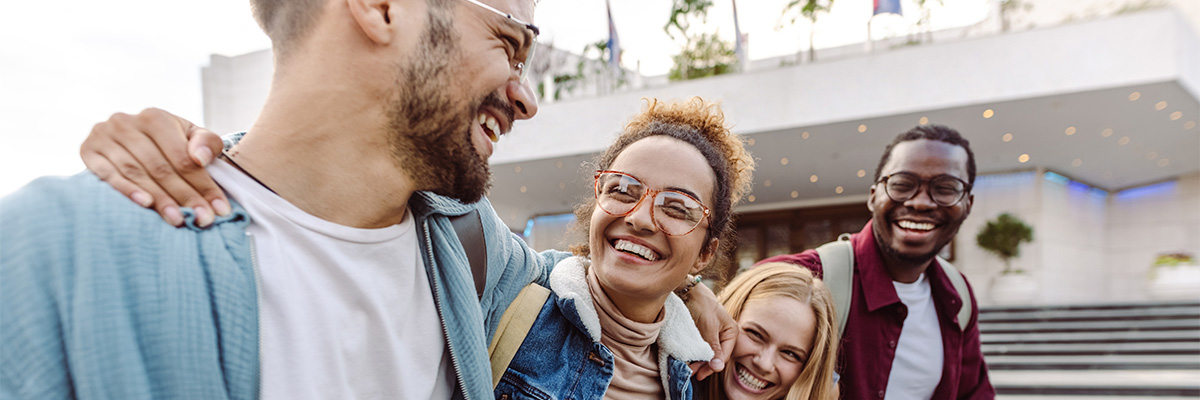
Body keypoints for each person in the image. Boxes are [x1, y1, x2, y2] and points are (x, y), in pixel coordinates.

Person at [0, 0, 735, 398]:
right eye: (510, 43)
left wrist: (691, 293)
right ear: (381, 7)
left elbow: (601, 282)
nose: (525, 95)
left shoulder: (473, 251)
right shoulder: (60, 254)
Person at [494, 97, 755, 399]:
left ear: (704, 254)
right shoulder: (514, 285)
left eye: (677, 208)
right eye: (621, 189)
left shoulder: (694, 377)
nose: (639, 218)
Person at [760, 125, 995, 399]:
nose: (920, 203)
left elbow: (974, 393)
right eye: (902, 184)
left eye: (945, 188)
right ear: (874, 196)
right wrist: (697, 290)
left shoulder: (957, 294)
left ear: (968, 204)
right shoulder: (812, 275)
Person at [699, 262, 840, 400]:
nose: (764, 364)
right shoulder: (680, 371)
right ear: (727, 316)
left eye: (790, 354)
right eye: (756, 334)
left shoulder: (824, 393)